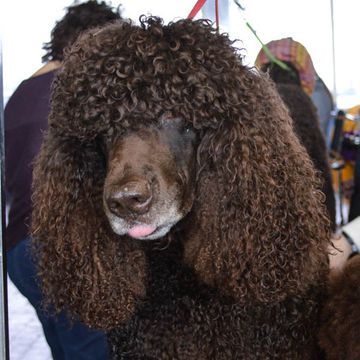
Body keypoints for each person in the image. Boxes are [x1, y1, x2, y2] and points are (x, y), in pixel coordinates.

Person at [5, 1, 122, 359]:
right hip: (67, 246)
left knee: (69, 350)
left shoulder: (20, 94)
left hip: (18, 250)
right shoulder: (82, 89)